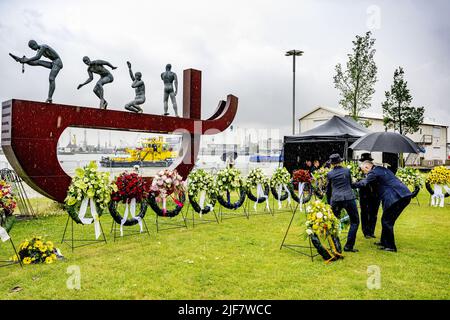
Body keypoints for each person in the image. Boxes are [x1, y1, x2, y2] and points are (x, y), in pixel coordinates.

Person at [353, 160, 412, 252]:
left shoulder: (373, 173)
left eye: (363, 170)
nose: (363, 172)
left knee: (387, 221)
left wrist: (350, 184)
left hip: (397, 197)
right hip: (403, 194)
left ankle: (391, 247)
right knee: (387, 220)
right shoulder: (381, 169)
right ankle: (384, 242)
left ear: (367, 167)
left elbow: (363, 183)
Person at [326, 153, 360, 252]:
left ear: (332, 164)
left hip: (336, 200)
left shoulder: (330, 174)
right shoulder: (347, 171)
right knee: (355, 221)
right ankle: (348, 246)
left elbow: (328, 190)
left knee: (333, 222)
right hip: (349, 198)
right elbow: (350, 184)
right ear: (340, 162)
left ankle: (335, 245)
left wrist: (329, 203)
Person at [358, 153, 381, 239]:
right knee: (364, 213)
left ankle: (371, 231)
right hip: (364, 195)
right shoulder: (359, 171)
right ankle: (365, 231)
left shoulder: (375, 170)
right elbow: (358, 182)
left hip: (375, 195)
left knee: (373, 213)